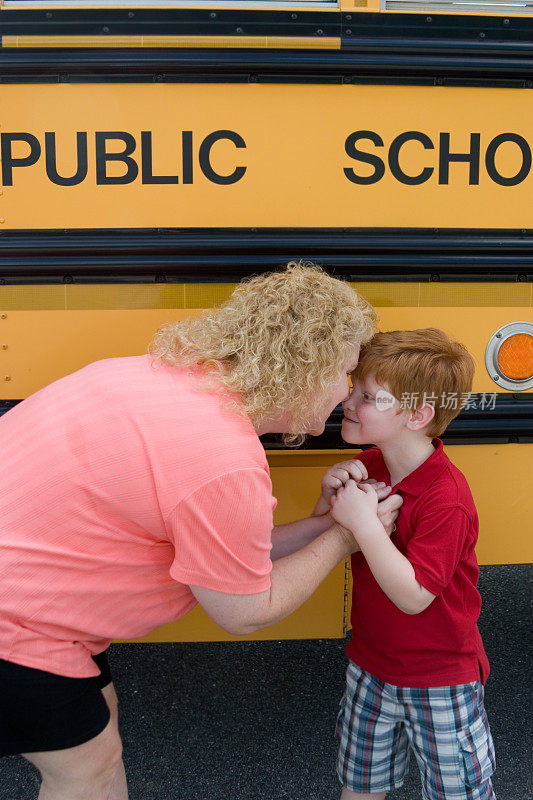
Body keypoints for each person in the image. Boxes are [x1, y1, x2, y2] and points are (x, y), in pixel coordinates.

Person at [0, 262, 402, 800]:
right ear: (304, 368)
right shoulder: (222, 457)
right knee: (87, 771)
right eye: (343, 373)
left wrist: (320, 525)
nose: (345, 393)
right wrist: (345, 537)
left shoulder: (153, 377)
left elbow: (224, 558)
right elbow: (244, 607)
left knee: (99, 735)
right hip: (18, 624)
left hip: (36, 604)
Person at [315, 328, 496, 800]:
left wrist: (365, 525)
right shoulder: (370, 464)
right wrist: (329, 499)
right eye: (353, 388)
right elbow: (324, 535)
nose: (349, 402)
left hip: (441, 679)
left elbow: (415, 596)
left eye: (369, 397)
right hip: (370, 668)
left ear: (417, 415)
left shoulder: (447, 498)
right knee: (358, 788)